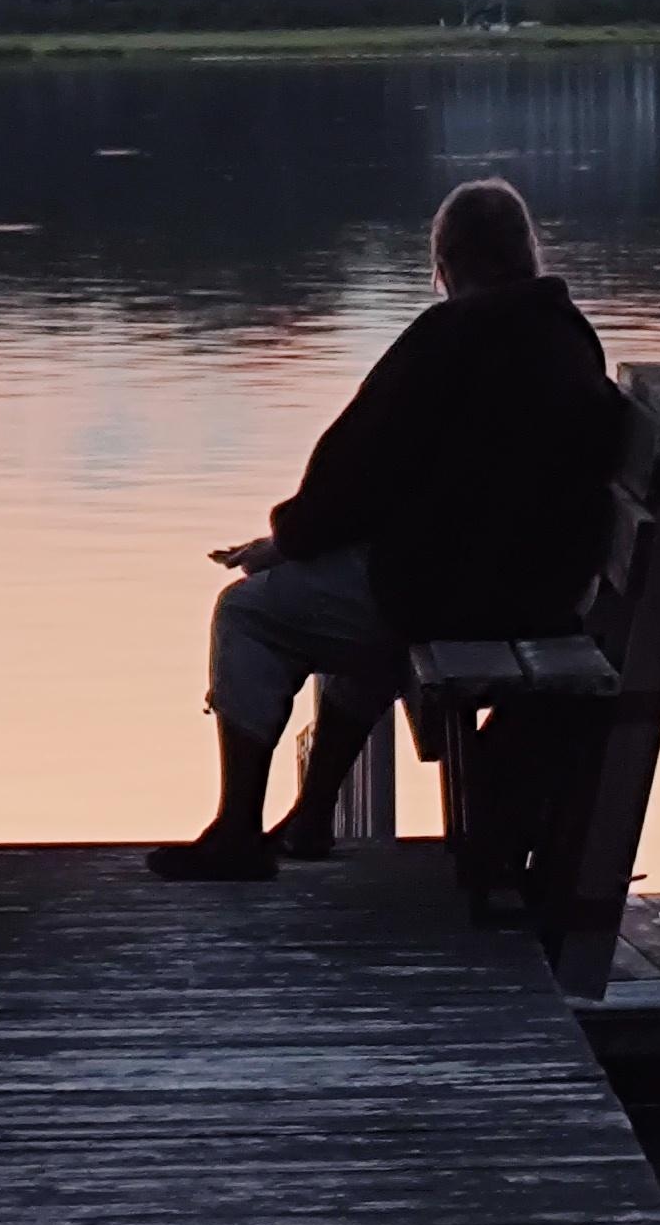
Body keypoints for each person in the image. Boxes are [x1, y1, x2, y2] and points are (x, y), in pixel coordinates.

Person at [151, 177, 626, 880]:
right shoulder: (570, 341)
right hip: (547, 599)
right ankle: (312, 817)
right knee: (373, 611)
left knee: (250, 614)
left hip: (451, 595)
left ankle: (236, 831)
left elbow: (352, 472)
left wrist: (287, 543)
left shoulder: (448, 336)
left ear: (447, 266)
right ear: (528, 255)